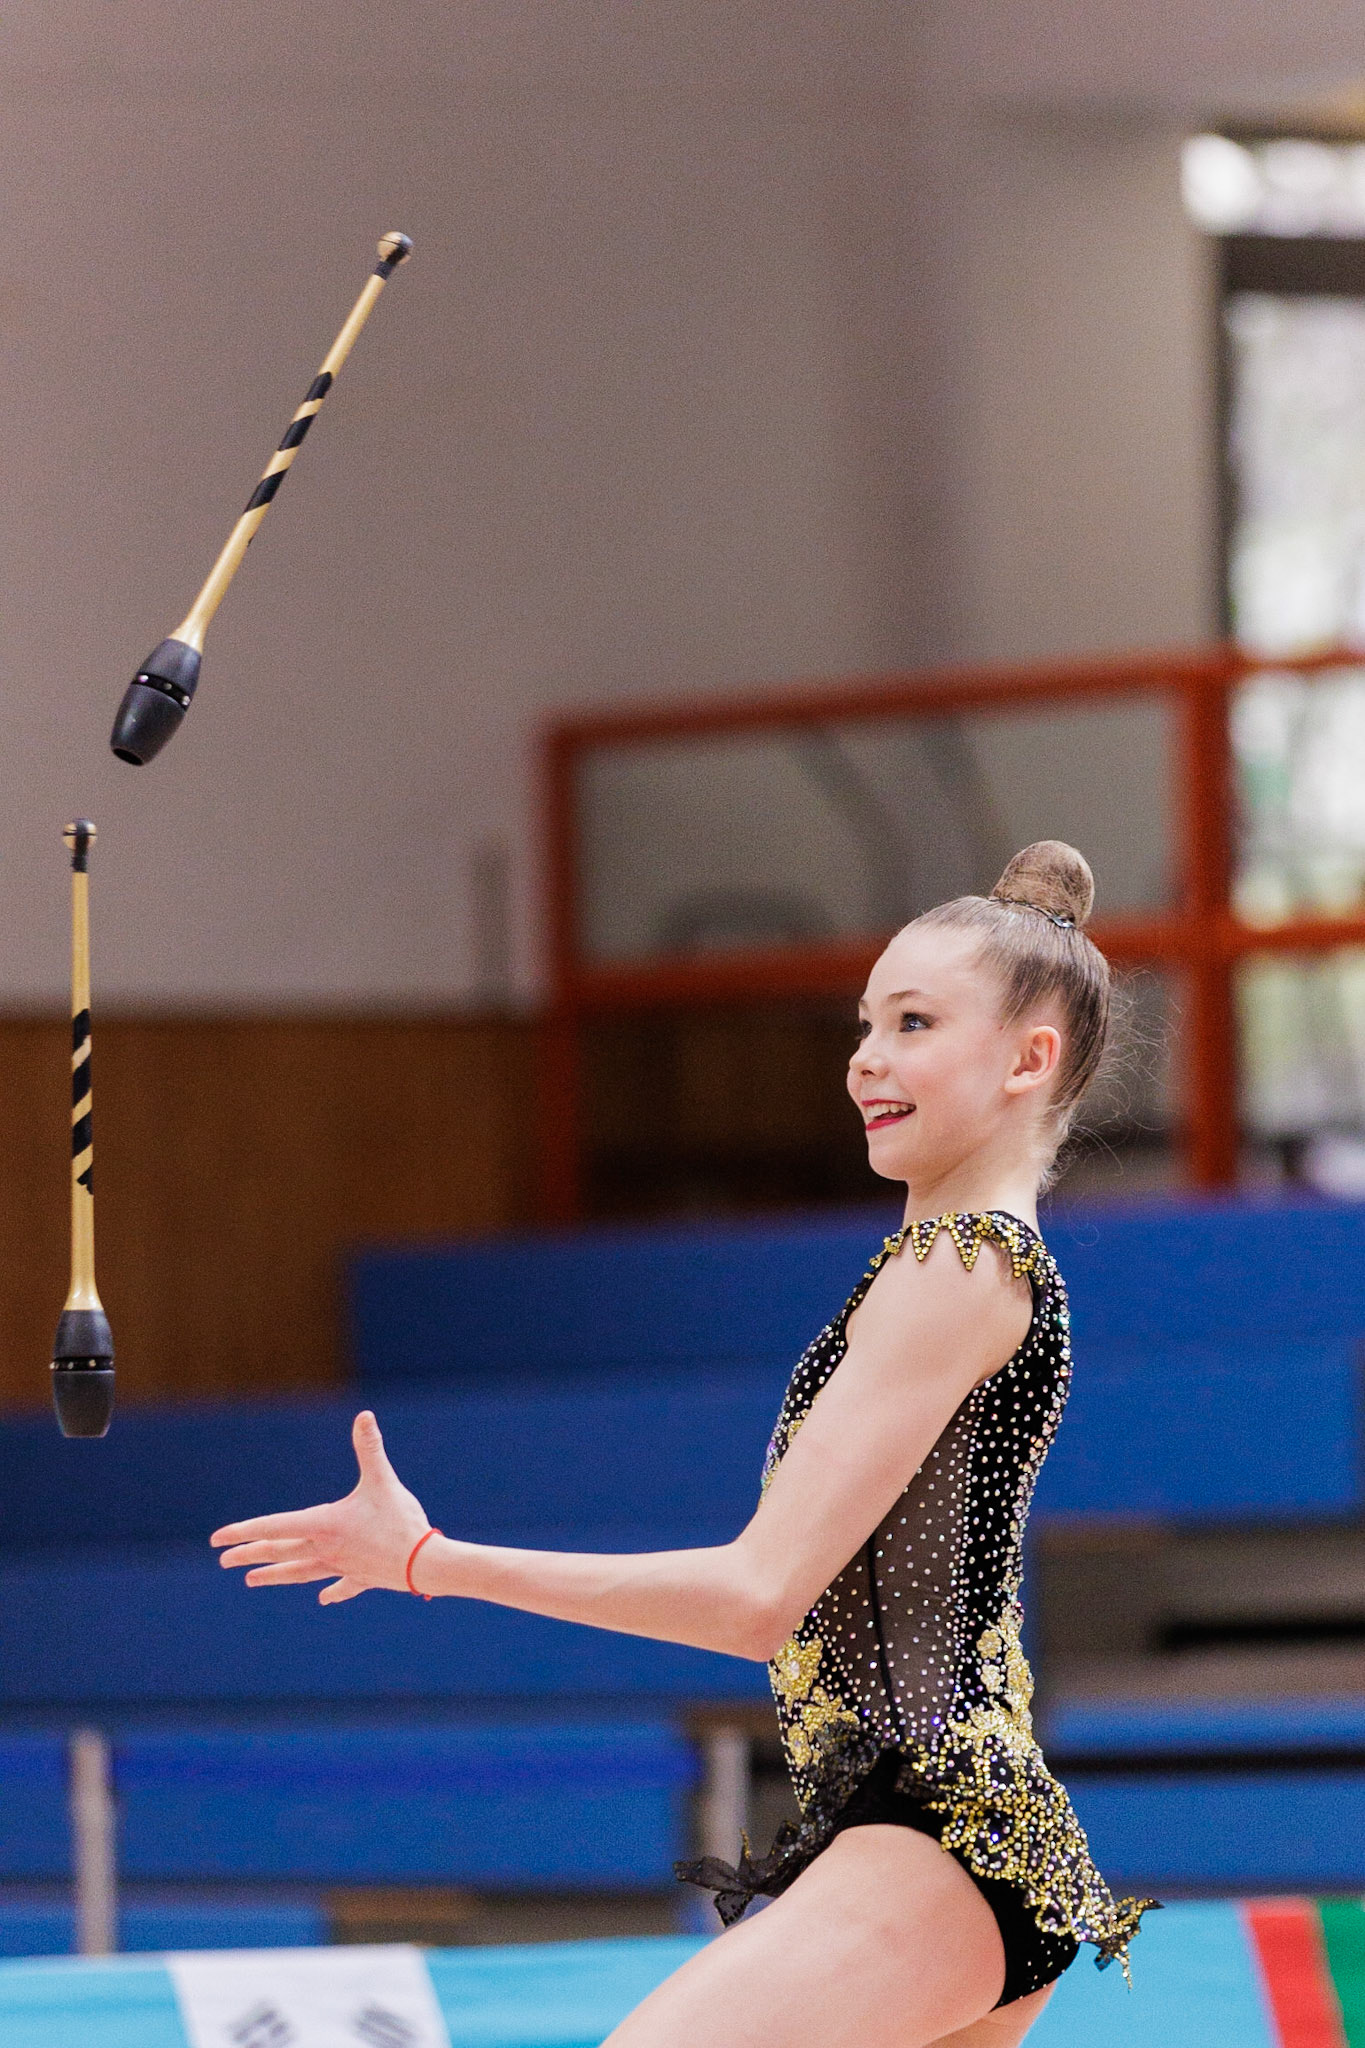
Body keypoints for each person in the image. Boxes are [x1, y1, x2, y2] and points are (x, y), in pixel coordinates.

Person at [212, 838, 1155, 2048]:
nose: (868, 1055)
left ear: (1033, 1058)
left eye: (915, 1022)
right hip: (946, 1836)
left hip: (942, 1832)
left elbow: (756, 1596)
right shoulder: (960, 1264)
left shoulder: (961, 1265)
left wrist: (429, 1558)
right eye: (865, 1023)